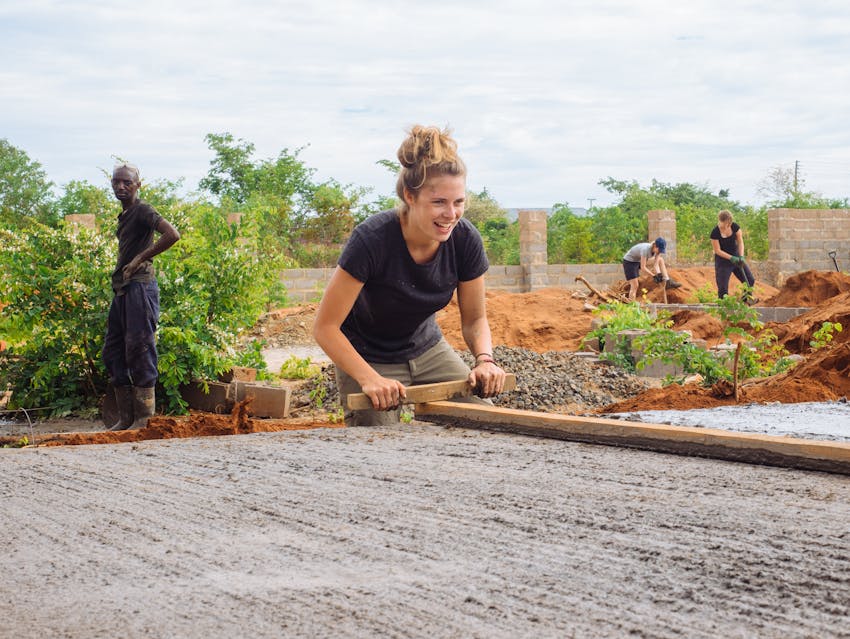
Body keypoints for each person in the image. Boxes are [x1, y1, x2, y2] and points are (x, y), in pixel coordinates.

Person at [312, 125, 507, 427]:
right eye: (439, 202)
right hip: (366, 355)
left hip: (427, 349)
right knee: (379, 445)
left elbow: (474, 320)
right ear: (410, 196)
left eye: (459, 202)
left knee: (486, 420)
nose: (451, 214)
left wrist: (485, 360)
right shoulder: (372, 240)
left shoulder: (465, 240)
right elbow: (325, 328)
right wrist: (370, 379)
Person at [102, 163, 180, 431]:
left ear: (138, 185)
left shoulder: (143, 210)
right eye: (116, 182)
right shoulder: (125, 216)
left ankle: (145, 420)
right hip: (123, 289)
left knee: (140, 348)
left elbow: (172, 234)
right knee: (113, 351)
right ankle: (126, 418)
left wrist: (140, 258)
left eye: (127, 183)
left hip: (140, 287)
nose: (120, 187)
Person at [710, 209, 756, 303]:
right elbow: (717, 250)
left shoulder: (735, 227)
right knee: (722, 288)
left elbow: (740, 242)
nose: (727, 226)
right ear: (720, 221)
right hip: (723, 262)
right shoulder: (715, 233)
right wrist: (731, 258)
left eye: (729, 223)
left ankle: (745, 301)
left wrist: (741, 256)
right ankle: (723, 309)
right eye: (725, 223)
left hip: (737, 258)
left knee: (749, 280)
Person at [622, 237, 681, 301]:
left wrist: (659, 275)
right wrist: (653, 275)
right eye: (659, 249)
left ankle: (668, 281)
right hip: (630, 262)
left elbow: (655, 265)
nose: (660, 252)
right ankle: (632, 304)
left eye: (661, 250)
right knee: (635, 285)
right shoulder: (645, 250)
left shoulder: (658, 251)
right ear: (655, 246)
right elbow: (643, 267)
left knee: (660, 260)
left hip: (638, 260)